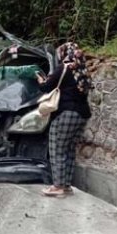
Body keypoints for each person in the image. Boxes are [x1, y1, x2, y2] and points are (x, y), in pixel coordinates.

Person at [36, 42, 92, 198]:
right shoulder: (82, 69)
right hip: (82, 114)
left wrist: (40, 79)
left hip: (66, 113)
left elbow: (46, 87)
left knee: (57, 149)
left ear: (64, 53)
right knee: (69, 150)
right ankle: (66, 185)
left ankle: (58, 186)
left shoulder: (65, 68)